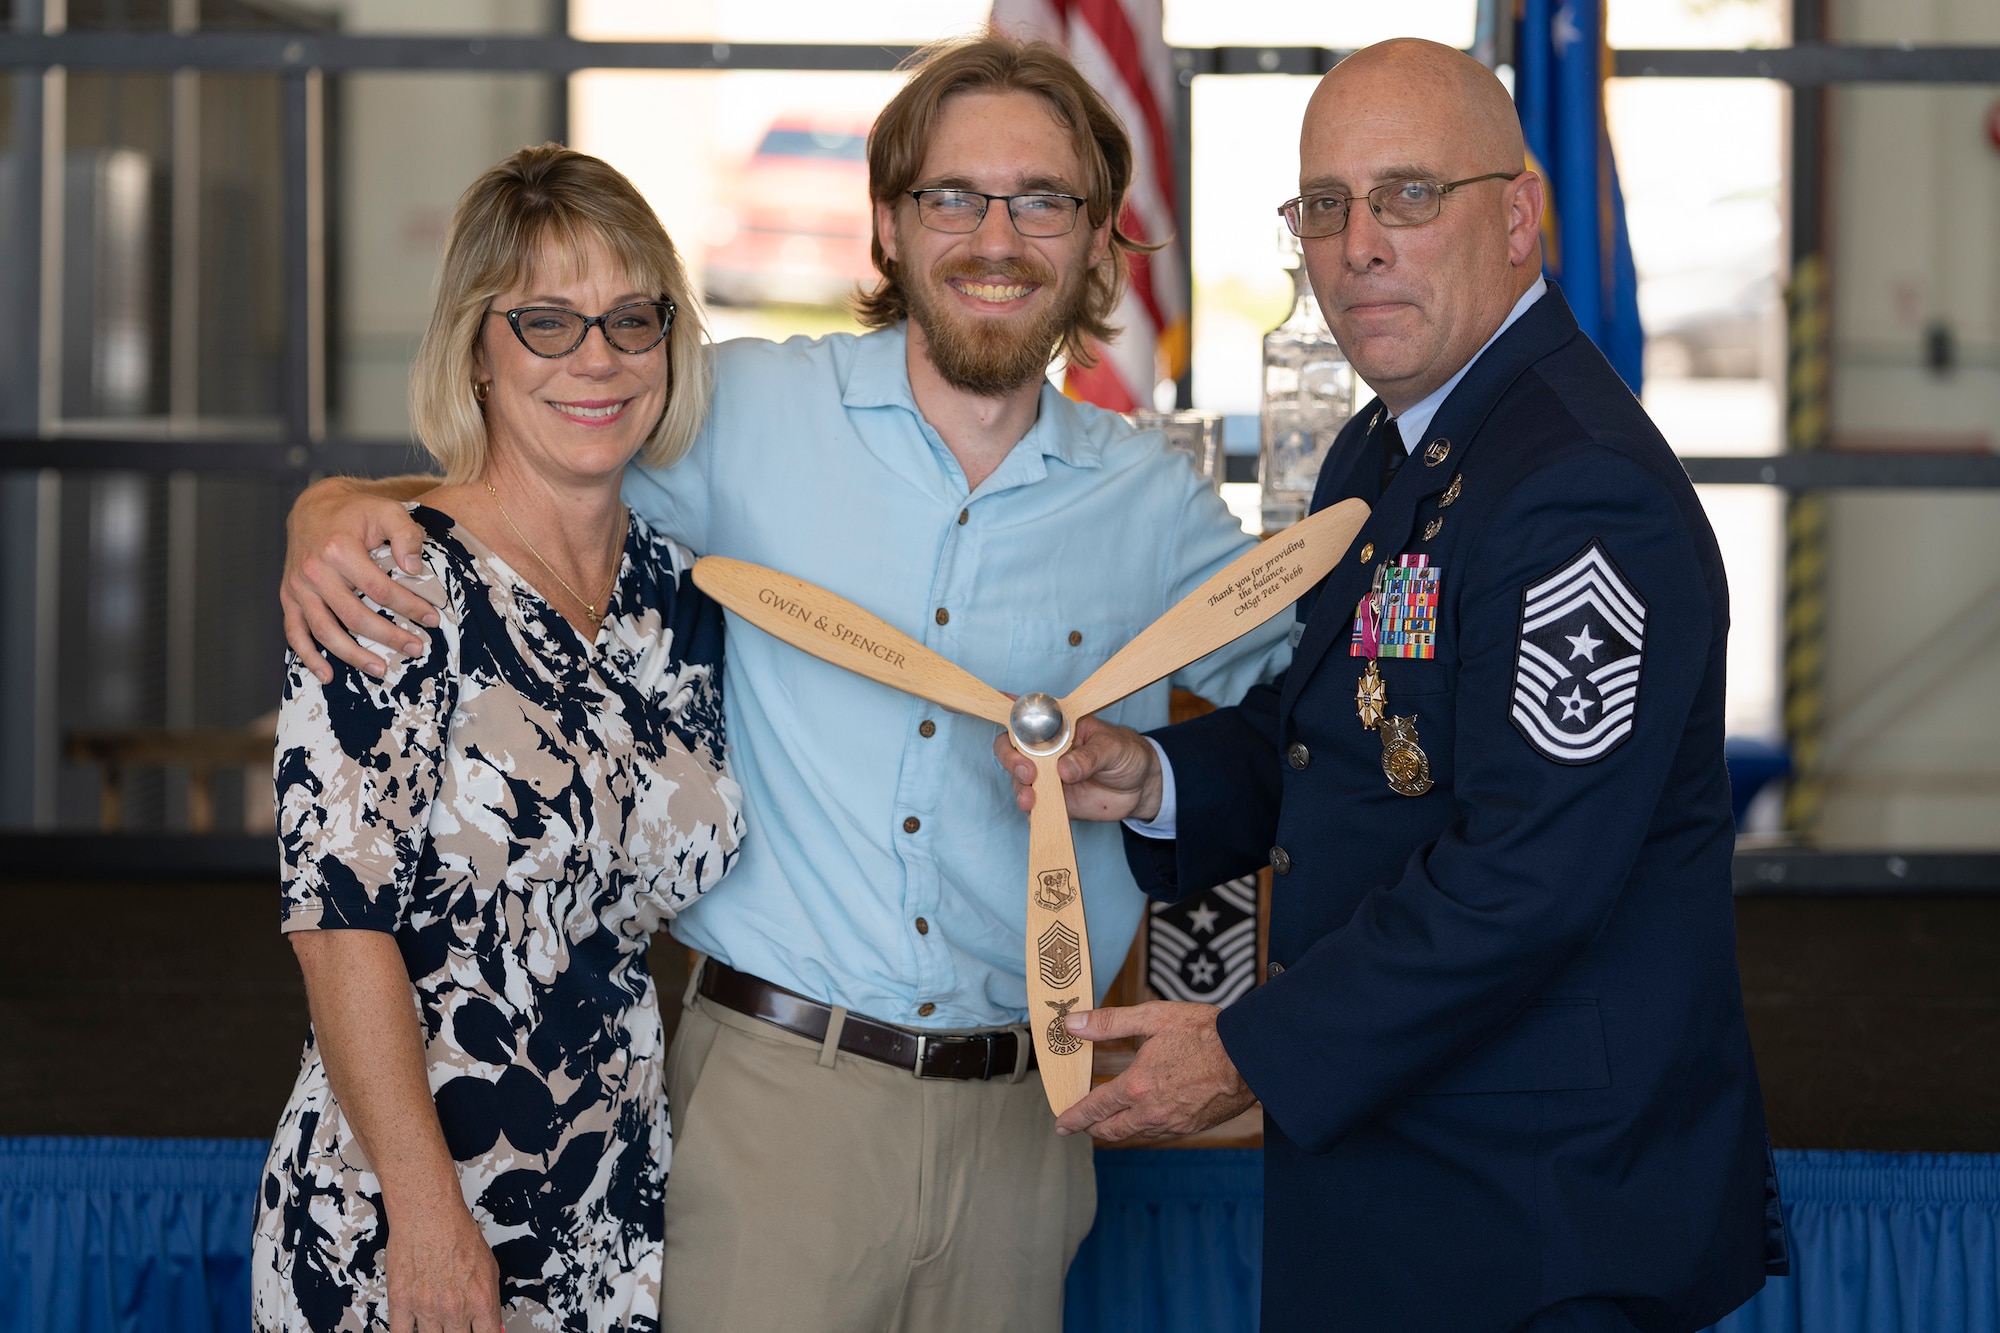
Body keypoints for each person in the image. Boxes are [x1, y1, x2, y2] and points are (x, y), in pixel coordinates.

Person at [276, 34, 1288, 1333]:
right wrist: (330, 507)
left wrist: (1151, 774)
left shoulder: (1158, 503)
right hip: (772, 1109)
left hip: (1028, 1132)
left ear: (1100, 239)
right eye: (953, 196)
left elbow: (1321, 713)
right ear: (888, 223)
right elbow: (517, 484)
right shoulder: (738, 412)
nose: (996, 234)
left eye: (1043, 199)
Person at [998, 38, 1790, 1333]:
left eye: (1409, 196)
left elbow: (1526, 877)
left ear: (1522, 217)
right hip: (1412, 1186)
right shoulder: (1394, 442)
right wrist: (1151, 777)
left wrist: (1246, 1051)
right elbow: (1345, 736)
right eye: (1325, 204)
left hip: (1540, 1220)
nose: (1357, 243)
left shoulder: (1574, 491)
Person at [252, 146, 744, 1333]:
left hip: (611, 1213)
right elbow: (338, 927)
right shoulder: (390, 577)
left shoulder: (680, 598)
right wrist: (427, 1220)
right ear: (476, 347)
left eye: (632, 320)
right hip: (400, 1214)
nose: (598, 360)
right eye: (546, 323)